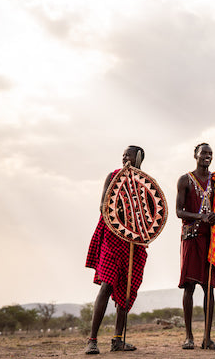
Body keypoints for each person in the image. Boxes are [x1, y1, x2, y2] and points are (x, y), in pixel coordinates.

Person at [84, 145, 148, 354]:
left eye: (128, 155)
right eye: (122, 155)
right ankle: (92, 340)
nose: (124, 158)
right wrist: (122, 222)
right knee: (107, 285)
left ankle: (117, 340)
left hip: (134, 243)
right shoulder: (112, 177)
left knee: (128, 290)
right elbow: (103, 205)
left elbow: (149, 215)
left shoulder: (145, 183)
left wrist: (139, 232)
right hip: (112, 238)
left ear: (138, 158)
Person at [175, 143, 215, 351]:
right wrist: (200, 216)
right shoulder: (185, 180)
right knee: (189, 286)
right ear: (195, 155)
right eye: (204, 153)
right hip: (191, 237)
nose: (207, 156)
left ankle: (207, 338)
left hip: (211, 239)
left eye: (210, 154)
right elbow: (179, 212)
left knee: (209, 287)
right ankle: (189, 337)